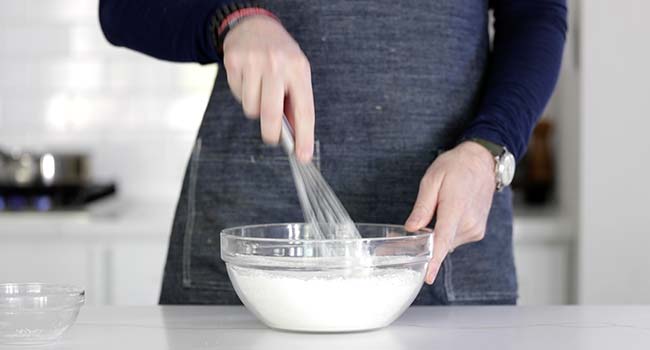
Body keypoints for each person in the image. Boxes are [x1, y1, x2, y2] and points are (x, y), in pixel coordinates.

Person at [99, 0, 567, 305]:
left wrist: (487, 150)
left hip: (443, 246)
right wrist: (233, 18)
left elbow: (536, 17)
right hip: (251, 257)